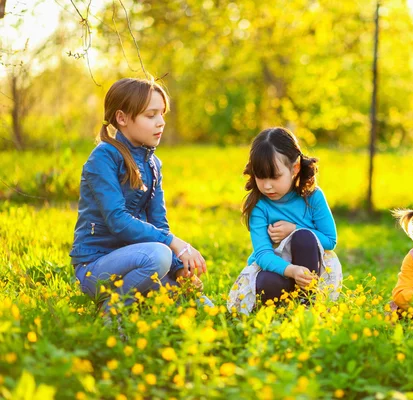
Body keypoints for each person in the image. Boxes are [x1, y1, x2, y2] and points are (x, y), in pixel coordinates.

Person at [70, 77, 209, 312]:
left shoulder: (153, 164)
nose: (161, 122)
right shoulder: (103, 157)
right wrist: (175, 245)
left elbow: (159, 224)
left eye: (162, 114)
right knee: (159, 255)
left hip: (141, 263)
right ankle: (112, 310)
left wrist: (177, 269)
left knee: (198, 302)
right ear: (122, 118)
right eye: (151, 115)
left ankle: (137, 294)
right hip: (96, 267)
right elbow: (117, 220)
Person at [227, 127, 342, 315]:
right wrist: (291, 270)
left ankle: (305, 306)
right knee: (265, 282)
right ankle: (279, 311)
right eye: (260, 177)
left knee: (303, 237)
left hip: (309, 272)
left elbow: (330, 240)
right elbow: (263, 255)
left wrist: (294, 229)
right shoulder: (259, 205)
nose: (267, 185)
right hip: (277, 270)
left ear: (295, 168)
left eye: (274, 176)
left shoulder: (312, 197)